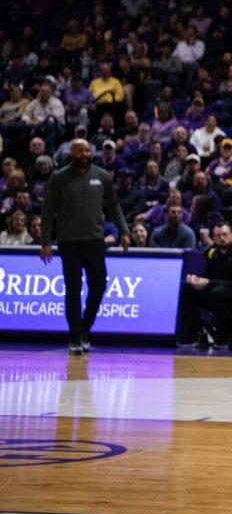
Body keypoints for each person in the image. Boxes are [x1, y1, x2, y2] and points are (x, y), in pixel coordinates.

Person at [39, 139, 131, 354]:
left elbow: (113, 206)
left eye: (88, 150)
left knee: (98, 286)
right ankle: (74, 336)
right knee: (73, 290)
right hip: (69, 242)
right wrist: (45, 242)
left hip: (95, 241)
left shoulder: (101, 176)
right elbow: (47, 211)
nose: (85, 153)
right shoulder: (59, 178)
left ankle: (84, 329)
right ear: (72, 153)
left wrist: (124, 231)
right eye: (80, 150)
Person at [177, 222, 232, 347]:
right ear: (213, 238)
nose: (222, 238)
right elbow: (206, 276)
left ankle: (223, 336)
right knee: (187, 289)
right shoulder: (211, 253)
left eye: (225, 235)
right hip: (214, 290)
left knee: (219, 292)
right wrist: (195, 280)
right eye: (218, 236)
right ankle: (195, 332)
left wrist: (209, 282)